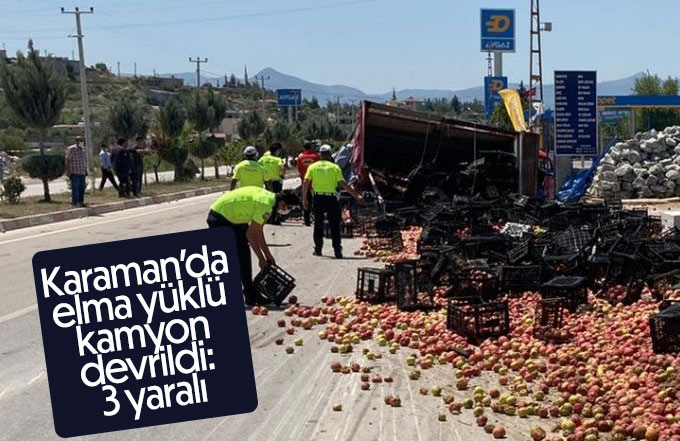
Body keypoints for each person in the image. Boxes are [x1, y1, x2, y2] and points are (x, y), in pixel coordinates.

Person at [207, 187, 300, 306]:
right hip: (220, 218)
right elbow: (251, 235)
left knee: (244, 255)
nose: (288, 210)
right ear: (282, 203)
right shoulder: (266, 205)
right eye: (289, 207)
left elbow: (258, 231)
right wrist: (261, 259)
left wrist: (268, 256)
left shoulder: (270, 200)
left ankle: (251, 295)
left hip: (235, 219)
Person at [303, 145, 363, 258]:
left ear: (320, 155)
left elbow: (306, 182)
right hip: (331, 199)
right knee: (334, 225)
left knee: (318, 225)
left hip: (318, 198)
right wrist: (356, 196)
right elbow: (344, 184)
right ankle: (337, 251)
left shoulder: (313, 167)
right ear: (330, 155)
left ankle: (318, 249)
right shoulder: (335, 168)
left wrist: (304, 198)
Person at [259, 142, 286, 224]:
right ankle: (274, 219)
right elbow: (282, 169)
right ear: (277, 151)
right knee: (276, 200)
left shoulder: (263, 159)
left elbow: (259, 166)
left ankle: (266, 218)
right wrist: (282, 177)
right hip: (276, 182)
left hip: (267, 182)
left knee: (267, 200)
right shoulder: (278, 159)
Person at [296, 141, 320, 226]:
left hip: (305, 183)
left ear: (304, 148)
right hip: (315, 183)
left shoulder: (300, 157)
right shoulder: (316, 156)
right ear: (311, 148)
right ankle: (317, 219)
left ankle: (307, 221)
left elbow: (299, 170)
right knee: (317, 201)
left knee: (306, 201)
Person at [65, 135, 88, 207]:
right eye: (80, 140)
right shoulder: (72, 149)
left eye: (82, 140)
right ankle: (74, 203)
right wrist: (68, 170)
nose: (82, 142)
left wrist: (85, 170)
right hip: (74, 171)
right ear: (76, 141)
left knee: (82, 188)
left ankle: (80, 202)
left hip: (82, 172)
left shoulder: (83, 149)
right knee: (75, 188)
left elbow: (83, 160)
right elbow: (68, 159)